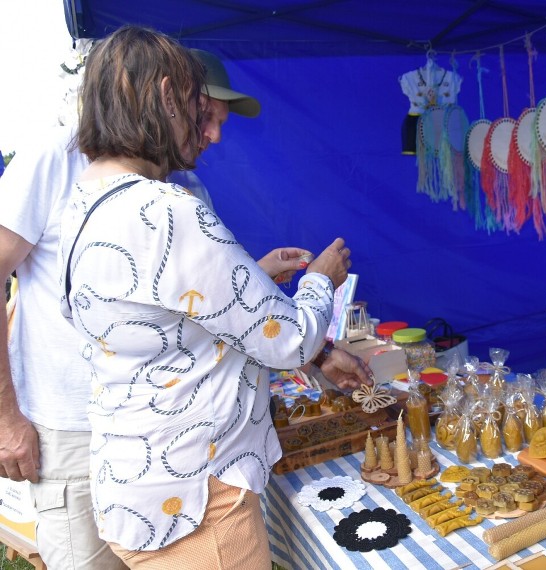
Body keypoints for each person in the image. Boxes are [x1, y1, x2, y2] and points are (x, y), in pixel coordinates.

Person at [0, 41, 368, 570]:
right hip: (196, 498)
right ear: (168, 96)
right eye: (200, 107)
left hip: (133, 478)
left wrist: (250, 281)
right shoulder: (167, 209)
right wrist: (318, 283)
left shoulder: (87, 199)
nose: (207, 130)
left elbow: (153, 311)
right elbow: (289, 340)